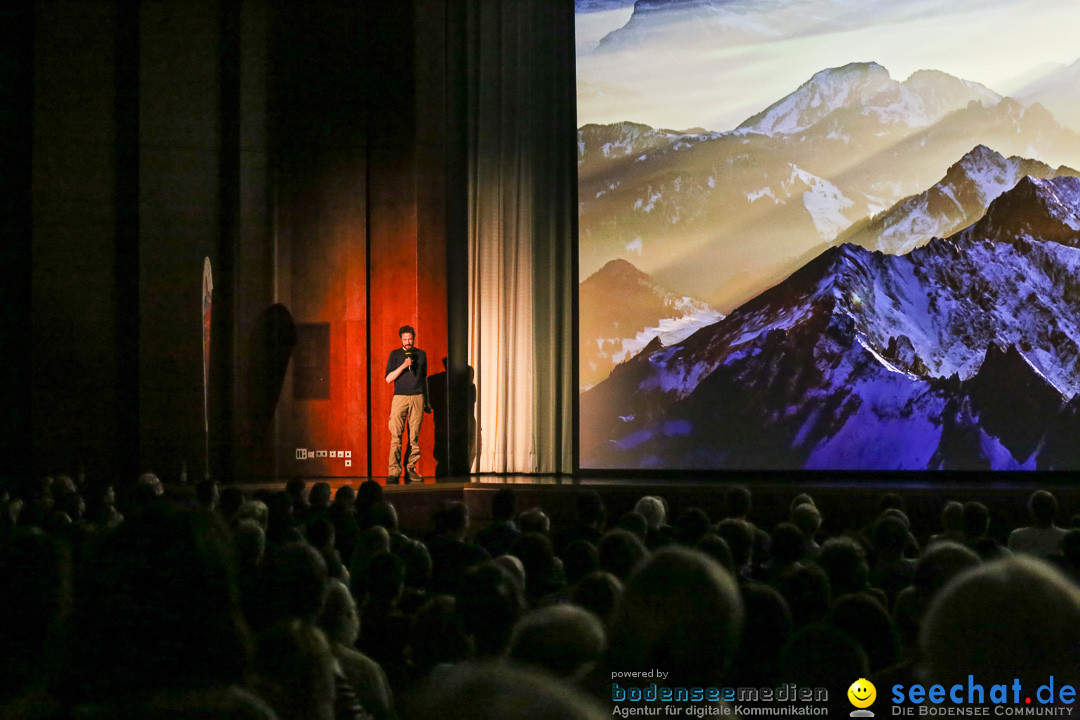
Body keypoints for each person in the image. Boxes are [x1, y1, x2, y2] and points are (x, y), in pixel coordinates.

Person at [384, 325, 429, 484]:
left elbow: (424, 380)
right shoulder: (395, 355)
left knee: (413, 437)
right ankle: (394, 472)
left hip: (417, 397)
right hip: (400, 398)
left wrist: (427, 402)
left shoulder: (421, 354)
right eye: (405, 339)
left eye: (410, 339)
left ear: (414, 338)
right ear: (400, 339)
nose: (408, 342)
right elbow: (388, 379)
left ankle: (411, 470)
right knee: (396, 436)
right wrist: (404, 365)